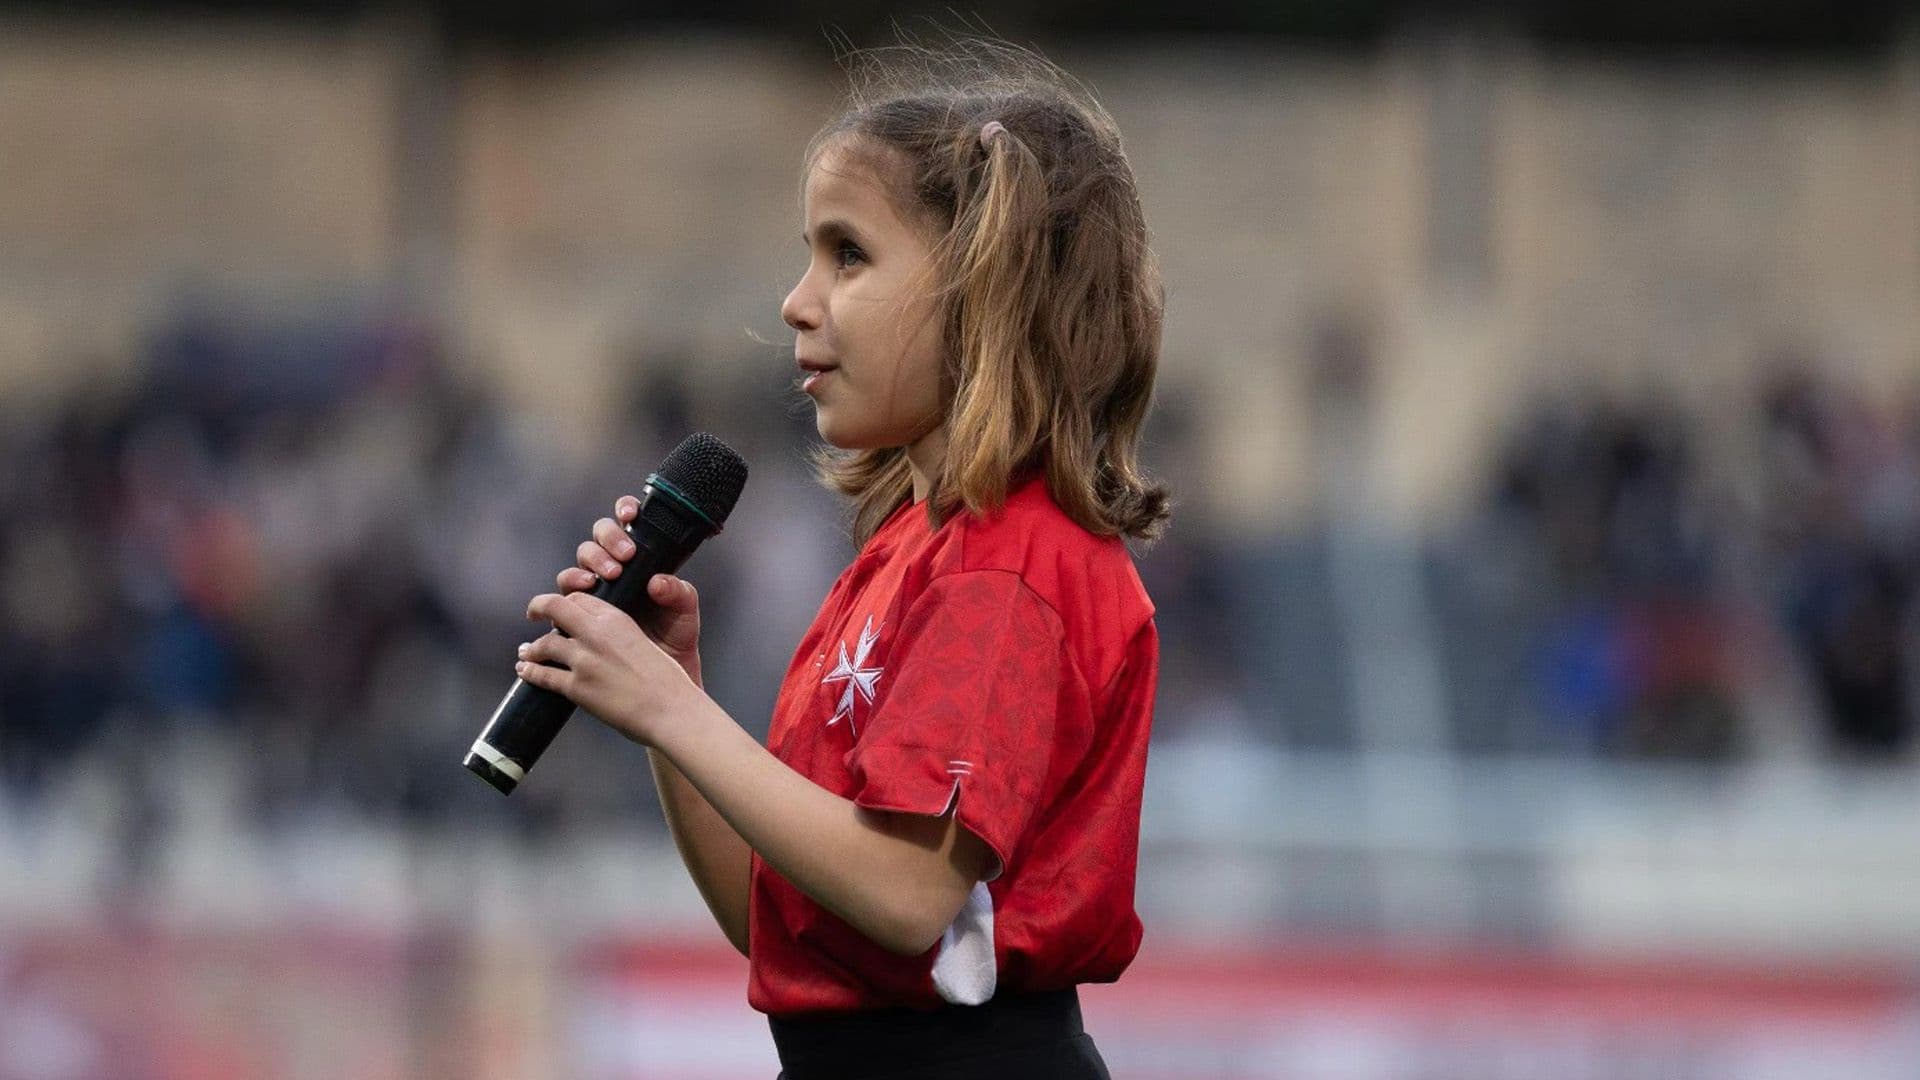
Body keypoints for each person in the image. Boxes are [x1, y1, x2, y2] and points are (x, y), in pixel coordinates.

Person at [513, 39, 1169, 1080]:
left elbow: (909, 897)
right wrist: (669, 692)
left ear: (984, 289)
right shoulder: (912, 546)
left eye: (848, 255)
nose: (797, 301)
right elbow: (774, 921)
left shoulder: (1012, 565)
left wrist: (670, 710)